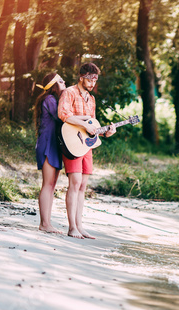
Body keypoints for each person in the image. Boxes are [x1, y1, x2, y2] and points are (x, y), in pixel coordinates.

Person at [58, 62, 116, 239]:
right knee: (74, 183)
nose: (92, 84)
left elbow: (93, 125)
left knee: (83, 186)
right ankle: (71, 227)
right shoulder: (69, 92)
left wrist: (106, 132)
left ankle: (80, 226)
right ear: (81, 77)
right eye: (90, 80)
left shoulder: (91, 99)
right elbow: (63, 114)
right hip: (72, 143)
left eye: (95, 81)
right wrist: (83, 124)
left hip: (87, 145)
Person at [34, 72, 67, 233]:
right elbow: (62, 118)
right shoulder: (50, 100)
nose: (64, 82)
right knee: (47, 184)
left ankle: (47, 222)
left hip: (54, 145)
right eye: (61, 81)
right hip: (47, 144)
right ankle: (44, 224)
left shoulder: (56, 100)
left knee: (52, 185)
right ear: (54, 85)